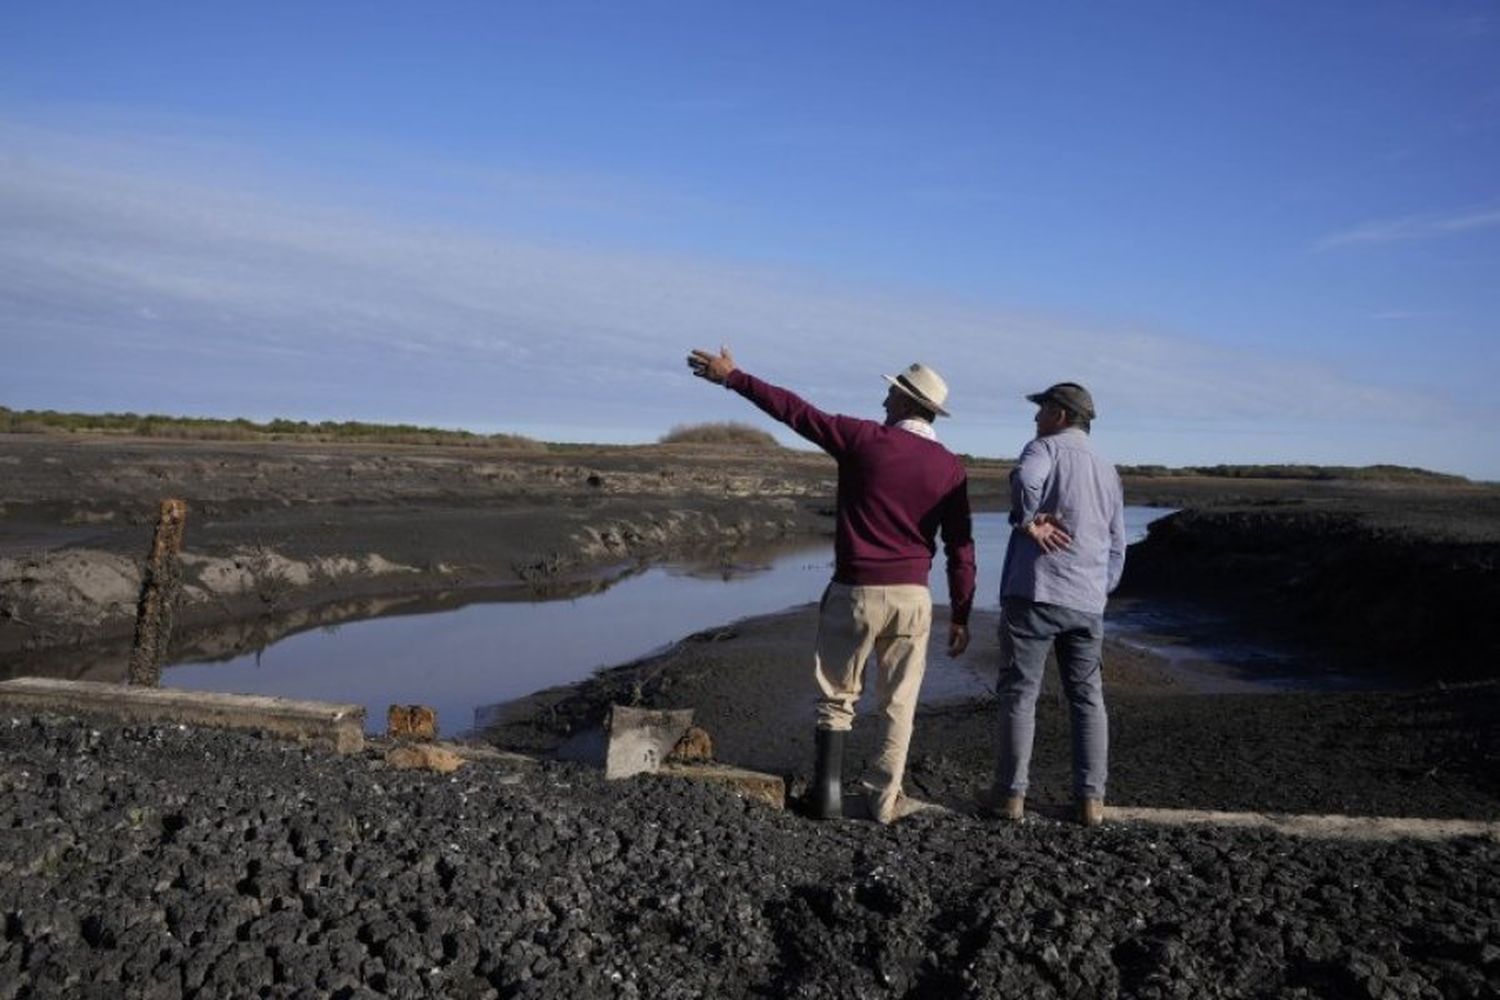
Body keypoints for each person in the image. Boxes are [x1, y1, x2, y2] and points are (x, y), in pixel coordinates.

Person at [686, 347, 975, 823]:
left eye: (891, 393)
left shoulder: (863, 439)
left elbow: (795, 411)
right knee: (899, 703)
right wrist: (961, 611)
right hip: (913, 598)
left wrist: (733, 378)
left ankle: (828, 797)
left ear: (905, 402)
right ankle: (884, 802)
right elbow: (961, 546)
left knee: (837, 695)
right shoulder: (949, 467)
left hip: (855, 591)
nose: (884, 400)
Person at [990, 381, 1125, 827]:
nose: (1035, 417)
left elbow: (1028, 481)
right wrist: (1098, 589)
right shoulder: (1107, 468)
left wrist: (1026, 521)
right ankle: (1091, 803)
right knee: (1087, 699)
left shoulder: (1043, 447)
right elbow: (1117, 543)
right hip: (1086, 602)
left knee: (1020, 693)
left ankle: (1010, 798)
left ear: (1060, 415)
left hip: (1035, 593)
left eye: (1042, 409)